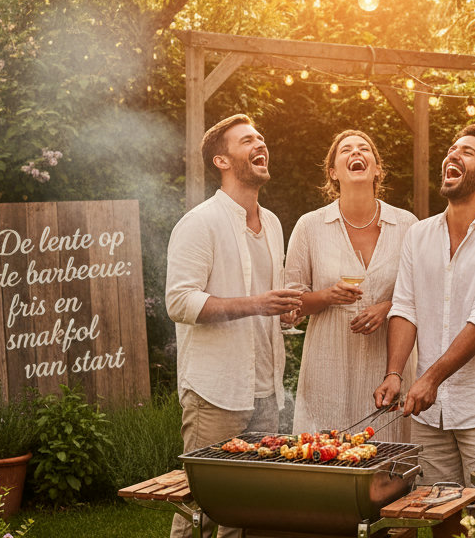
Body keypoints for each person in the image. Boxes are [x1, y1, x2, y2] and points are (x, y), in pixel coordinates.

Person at [165, 114, 303, 538]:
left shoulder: (275, 223)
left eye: (261, 138)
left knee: (249, 512)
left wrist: (282, 311)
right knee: (200, 510)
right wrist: (256, 304)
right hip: (215, 392)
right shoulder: (200, 222)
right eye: (247, 140)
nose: (260, 144)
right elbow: (179, 301)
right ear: (222, 160)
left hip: (265, 388)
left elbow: (263, 298)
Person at [372, 123, 475, 490]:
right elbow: (405, 308)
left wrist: (429, 380)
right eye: (452, 148)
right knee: (438, 513)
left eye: (468, 152)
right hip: (430, 414)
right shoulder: (418, 234)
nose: (453, 154)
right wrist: (395, 373)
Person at [284, 130, 417, 440]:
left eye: (364, 149)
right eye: (345, 150)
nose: (356, 153)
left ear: (377, 168)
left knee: (388, 458)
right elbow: (290, 306)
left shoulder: (408, 225)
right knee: (324, 456)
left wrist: (388, 306)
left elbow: (424, 293)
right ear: (333, 172)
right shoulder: (310, 226)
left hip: (389, 364)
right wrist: (328, 296)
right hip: (328, 365)